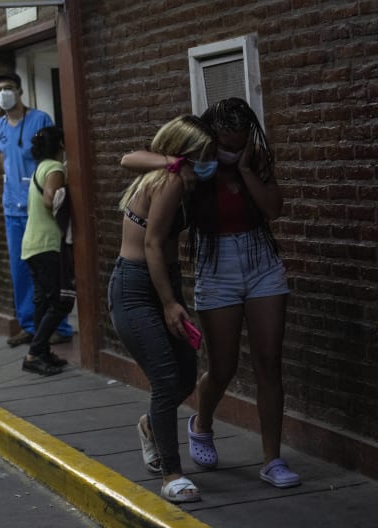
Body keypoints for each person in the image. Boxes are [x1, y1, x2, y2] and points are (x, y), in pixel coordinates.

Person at [122, 98, 300, 489]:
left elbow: (274, 208)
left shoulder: (254, 162)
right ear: (210, 139)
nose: (231, 151)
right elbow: (131, 159)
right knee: (224, 365)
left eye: (240, 143)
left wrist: (245, 168)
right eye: (226, 145)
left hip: (261, 261)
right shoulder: (193, 169)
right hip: (216, 265)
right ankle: (202, 424)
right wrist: (172, 163)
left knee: (269, 362)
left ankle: (272, 460)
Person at [110, 115, 217, 503]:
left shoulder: (178, 180)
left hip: (163, 281)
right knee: (166, 377)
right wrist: (171, 303)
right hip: (138, 288)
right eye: (205, 155)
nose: (212, 162)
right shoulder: (169, 180)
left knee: (186, 373)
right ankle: (172, 474)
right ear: (186, 155)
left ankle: (152, 426)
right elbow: (153, 244)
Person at [0, 72, 73, 348]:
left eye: (9, 88)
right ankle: (30, 325)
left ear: (20, 91)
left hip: (37, 207)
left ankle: (58, 327)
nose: (4, 93)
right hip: (11, 209)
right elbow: (3, 161)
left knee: (48, 269)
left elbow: (51, 154)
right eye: (0, 89)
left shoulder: (39, 120)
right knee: (20, 270)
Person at [20, 127, 75, 376]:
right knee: (61, 301)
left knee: (43, 301)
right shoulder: (54, 168)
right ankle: (34, 353)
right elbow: (50, 200)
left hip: (32, 245)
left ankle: (40, 353)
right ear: (62, 143)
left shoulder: (39, 168)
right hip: (47, 244)